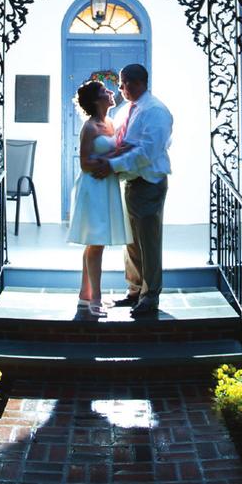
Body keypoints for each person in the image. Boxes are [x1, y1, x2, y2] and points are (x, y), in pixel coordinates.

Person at [89, 62, 173, 320]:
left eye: (124, 83)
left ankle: (150, 296)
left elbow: (146, 152)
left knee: (149, 241)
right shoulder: (128, 110)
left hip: (148, 182)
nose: (121, 88)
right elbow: (123, 142)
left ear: (137, 83)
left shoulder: (156, 111)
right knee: (132, 241)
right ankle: (135, 290)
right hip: (131, 182)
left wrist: (112, 165)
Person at [67, 79, 130, 317]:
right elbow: (84, 164)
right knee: (96, 242)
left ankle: (85, 294)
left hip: (107, 186)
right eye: (105, 91)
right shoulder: (90, 127)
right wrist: (109, 162)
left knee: (96, 242)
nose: (111, 92)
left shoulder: (111, 122)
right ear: (96, 100)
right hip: (93, 187)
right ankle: (96, 298)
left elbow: (113, 151)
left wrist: (116, 158)